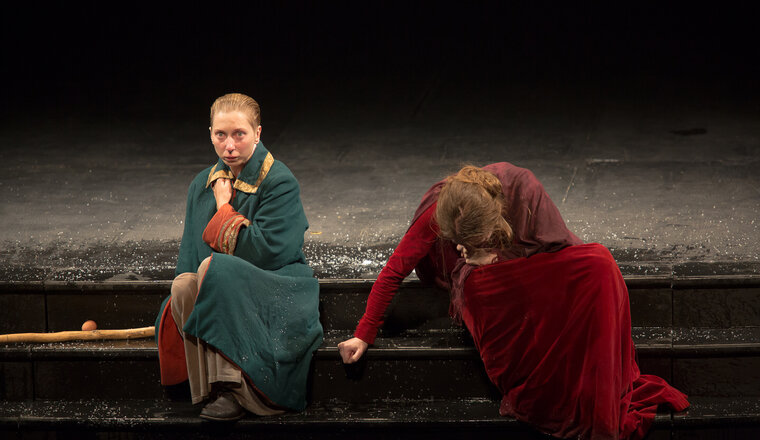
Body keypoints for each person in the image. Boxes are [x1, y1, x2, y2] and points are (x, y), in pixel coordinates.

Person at [338, 163, 689, 440]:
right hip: (470, 279)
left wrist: (500, 259)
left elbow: (559, 252)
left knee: (598, 263)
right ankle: (539, 384)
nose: (460, 246)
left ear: (493, 226)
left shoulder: (523, 190)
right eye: (457, 239)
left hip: (513, 265)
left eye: (470, 240)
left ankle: (586, 383)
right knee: (479, 284)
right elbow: (395, 270)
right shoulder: (440, 213)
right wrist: (364, 334)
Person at [155, 93, 323, 421]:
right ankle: (210, 389)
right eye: (221, 135)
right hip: (221, 283)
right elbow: (189, 256)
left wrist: (223, 208)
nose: (229, 145)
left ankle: (234, 388)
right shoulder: (201, 185)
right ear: (210, 135)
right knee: (184, 284)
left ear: (257, 133)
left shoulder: (279, 181)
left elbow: (267, 253)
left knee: (215, 270)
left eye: (239, 134)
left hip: (276, 286)